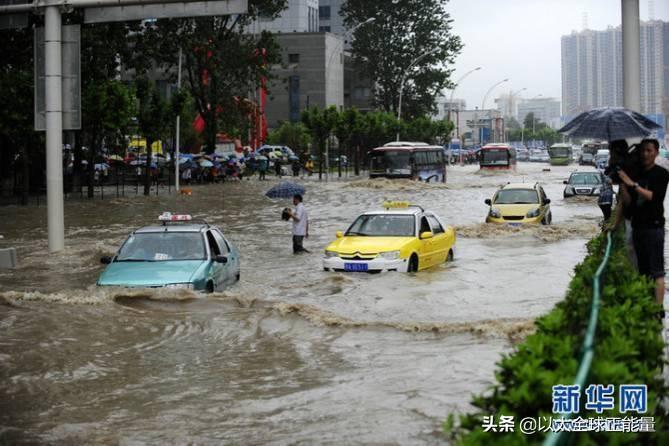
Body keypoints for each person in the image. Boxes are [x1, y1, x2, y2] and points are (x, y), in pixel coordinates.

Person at [616, 138, 669, 310]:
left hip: (654, 228)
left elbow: (655, 197)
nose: (645, 154)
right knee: (643, 271)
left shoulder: (661, 173)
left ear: (656, 152)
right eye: (643, 151)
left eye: (649, 151)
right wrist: (623, 186)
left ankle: (658, 310)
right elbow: (629, 203)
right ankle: (646, 305)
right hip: (638, 227)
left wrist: (633, 184)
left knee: (657, 271)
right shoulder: (637, 173)